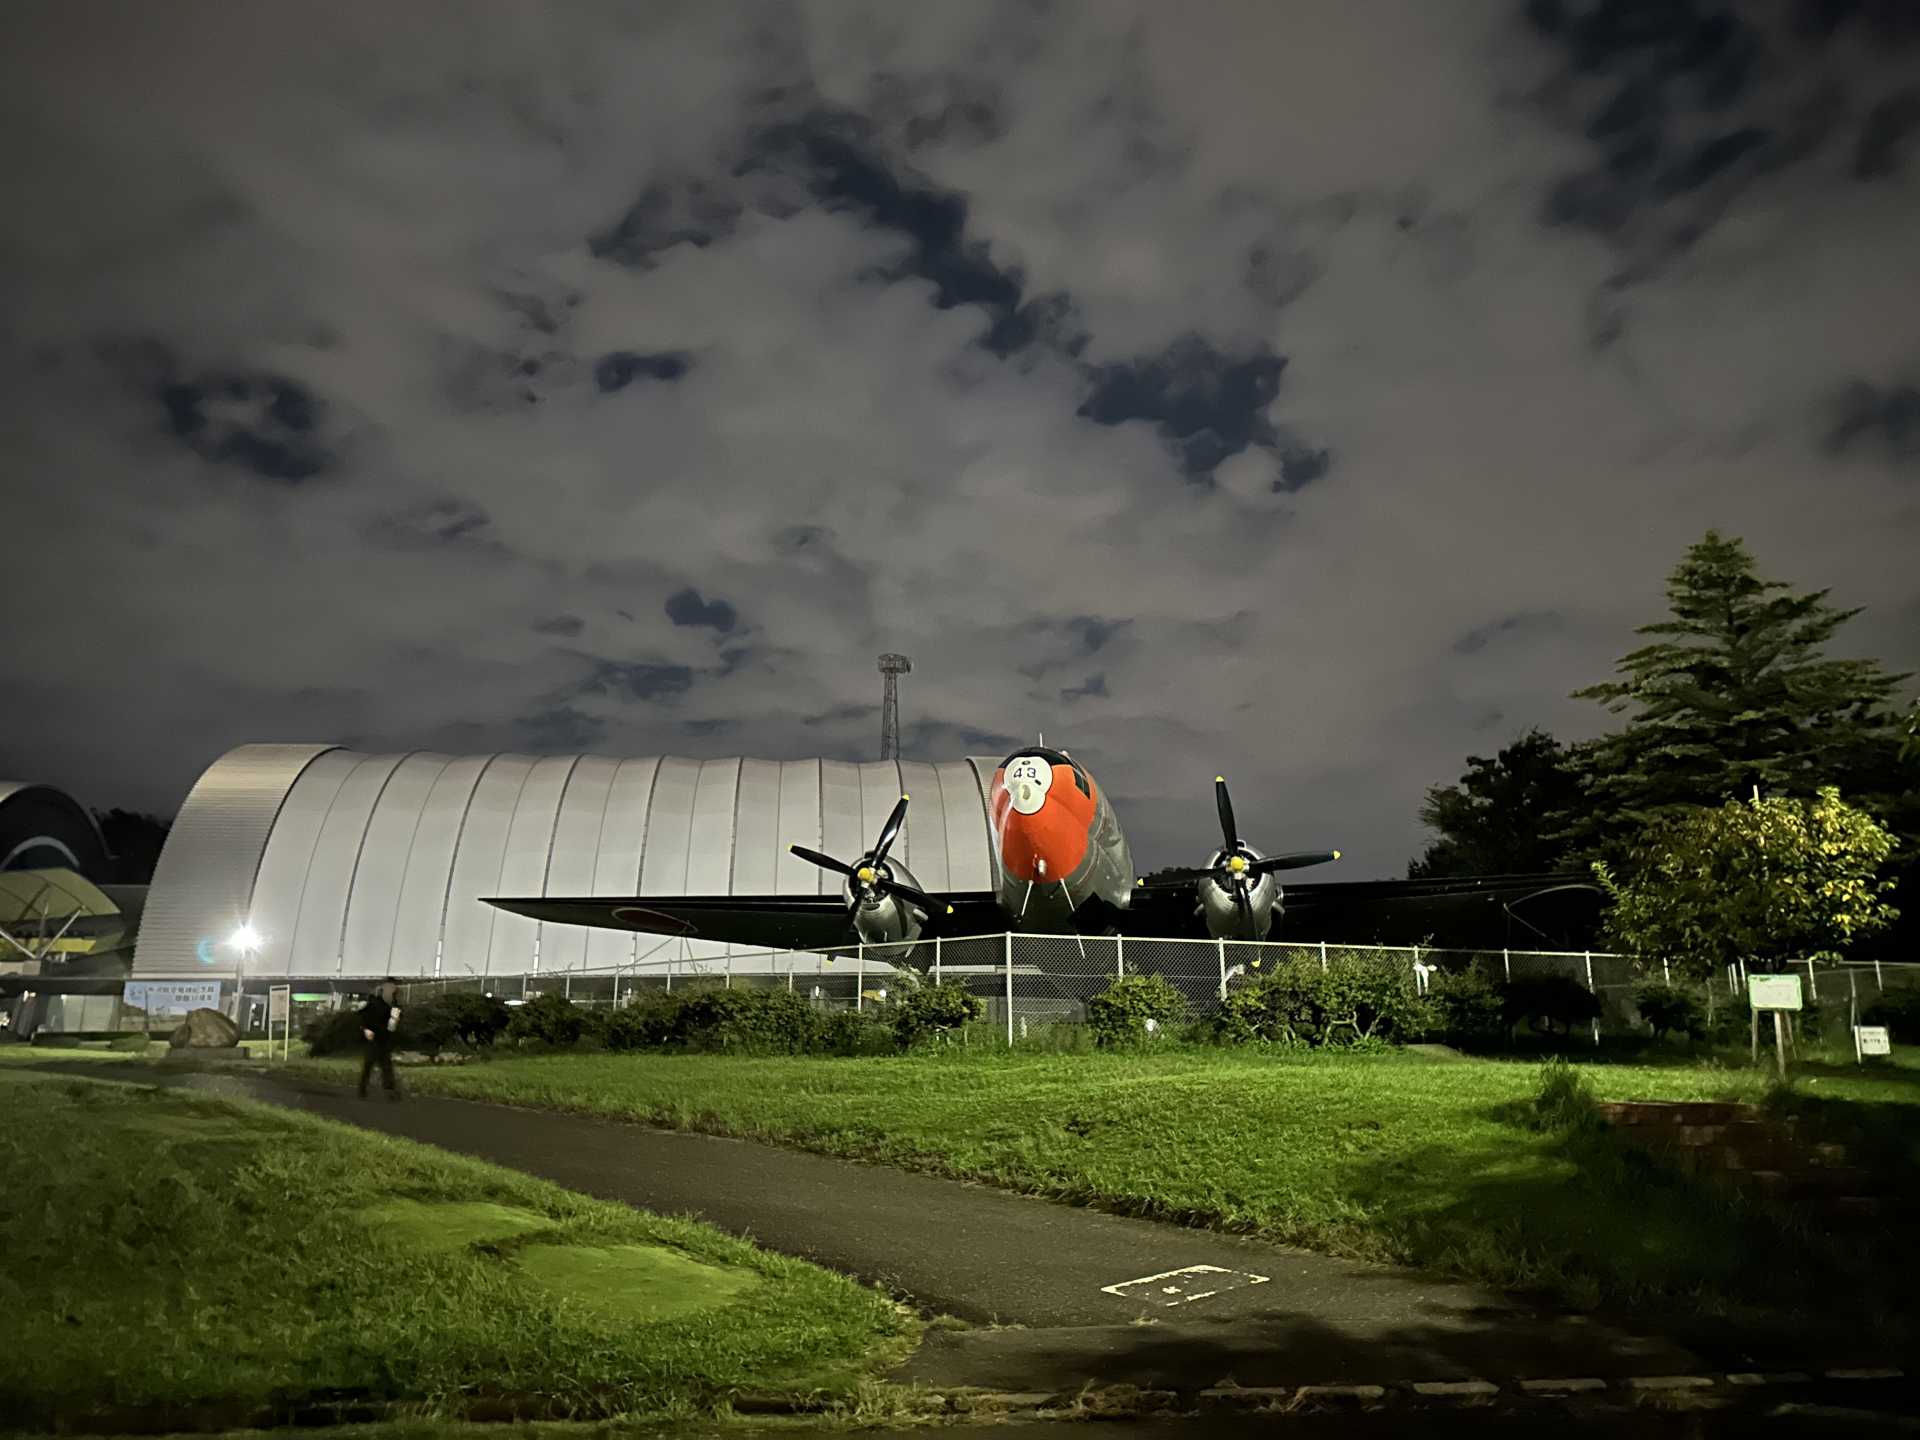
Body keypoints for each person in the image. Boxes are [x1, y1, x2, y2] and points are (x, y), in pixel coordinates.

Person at [357, 977, 403, 1101]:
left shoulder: (395, 1006)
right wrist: (365, 1030)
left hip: (384, 1040)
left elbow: (392, 1027)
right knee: (368, 1065)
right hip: (373, 1039)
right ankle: (362, 1089)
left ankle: (390, 1091)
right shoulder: (374, 1002)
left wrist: (395, 1020)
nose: (391, 990)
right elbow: (362, 1018)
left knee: (387, 1066)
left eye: (393, 988)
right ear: (384, 988)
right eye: (389, 987)